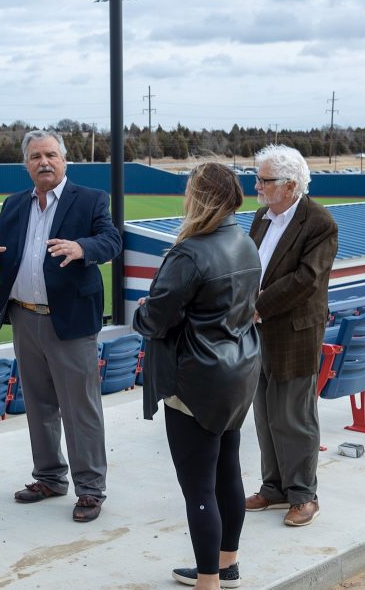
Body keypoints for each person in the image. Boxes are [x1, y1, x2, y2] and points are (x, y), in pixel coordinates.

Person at [0, 130, 121, 523]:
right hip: (24, 317)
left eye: (51, 154)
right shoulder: (15, 204)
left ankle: (90, 489)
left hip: (68, 320)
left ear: (64, 160)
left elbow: (111, 240)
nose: (44, 162)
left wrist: (82, 248)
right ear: (26, 164)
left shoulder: (89, 200)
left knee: (79, 408)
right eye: (36, 156)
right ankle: (50, 477)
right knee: (38, 405)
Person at [133, 162, 262, 589]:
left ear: (200, 197)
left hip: (198, 379)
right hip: (238, 372)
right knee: (228, 472)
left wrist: (139, 313)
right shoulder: (243, 241)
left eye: (190, 189)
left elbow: (156, 317)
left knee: (199, 489)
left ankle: (209, 581)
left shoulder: (190, 252)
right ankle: (228, 564)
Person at [245, 144, 338, 527]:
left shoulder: (319, 223)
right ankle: (274, 487)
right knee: (264, 414)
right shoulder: (262, 218)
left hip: (294, 333)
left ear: (291, 184)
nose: (257, 187)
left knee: (294, 415)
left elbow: (306, 280)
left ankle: (304, 494)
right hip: (257, 332)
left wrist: (258, 306)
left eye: (264, 181)